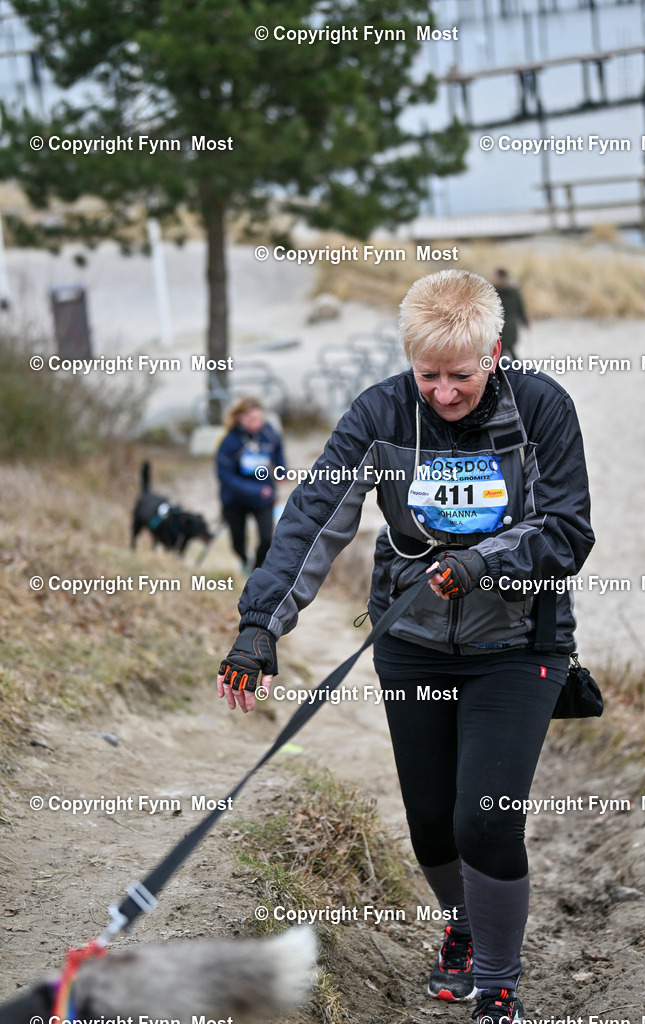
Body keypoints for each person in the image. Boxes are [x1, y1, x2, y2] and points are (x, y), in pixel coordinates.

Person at [216, 270, 594, 1023]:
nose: (444, 392)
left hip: (520, 642)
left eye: (461, 375)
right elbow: (313, 517)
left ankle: (498, 983)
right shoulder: (379, 413)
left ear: (494, 352)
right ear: (408, 360)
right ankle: (462, 927)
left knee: (484, 818)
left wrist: (481, 562)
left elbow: (567, 531)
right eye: (428, 375)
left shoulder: (542, 408)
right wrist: (260, 626)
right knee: (431, 823)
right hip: (411, 641)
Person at [215, 396, 286, 573]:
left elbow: (278, 450)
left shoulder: (268, 433)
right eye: (252, 419)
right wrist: (254, 490)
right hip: (235, 499)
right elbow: (225, 476)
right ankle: (244, 559)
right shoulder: (229, 441)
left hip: (263, 497)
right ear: (241, 418)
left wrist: (281, 470)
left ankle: (255, 570)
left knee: (267, 539)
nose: (257, 423)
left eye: (259, 419)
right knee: (237, 543)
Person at [491, 267, 529, 362]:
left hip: (499, 327)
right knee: (511, 351)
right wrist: (526, 323)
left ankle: (502, 370)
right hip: (512, 326)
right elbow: (520, 309)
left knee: (500, 353)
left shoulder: (494, 291)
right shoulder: (514, 291)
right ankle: (519, 367)